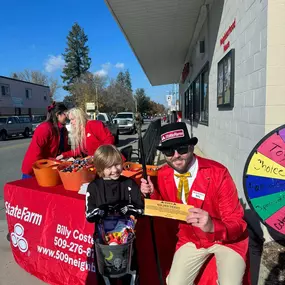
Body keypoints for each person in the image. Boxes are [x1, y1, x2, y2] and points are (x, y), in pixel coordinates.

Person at [141, 122, 249, 285]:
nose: (176, 155)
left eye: (182, 149)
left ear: (191, 147)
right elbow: (165, 209)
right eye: (169, 151)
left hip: (226, 241)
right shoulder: (163, 175)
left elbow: (237, 223)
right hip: (190, 239)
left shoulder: (218, 173)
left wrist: (213, 226)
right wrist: (151, 193)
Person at [85, 144, 144, 222]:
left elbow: (141, 209)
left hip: (127, 230)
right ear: (101, 169)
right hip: (104, 232)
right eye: (109, 167)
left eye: (117, 164)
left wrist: (128, 209)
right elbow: (89, 215)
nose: (115, 170)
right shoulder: (94, 187)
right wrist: (102, 210)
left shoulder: (129, 183)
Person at [21, 102, 69, 178]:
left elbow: (63, 149)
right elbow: (36, 153)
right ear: (57, 115)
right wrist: (55, 162)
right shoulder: (44, 128)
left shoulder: (63, 130)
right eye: (65, 114)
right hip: (35, 170)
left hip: (51, 167)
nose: (67, 116)